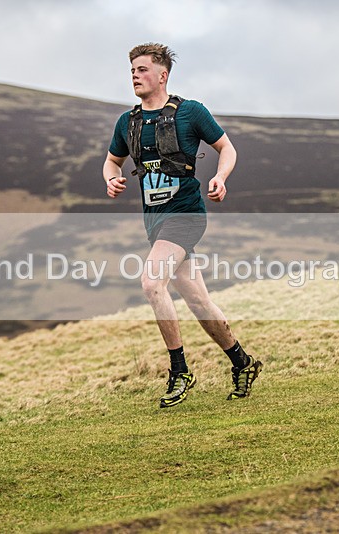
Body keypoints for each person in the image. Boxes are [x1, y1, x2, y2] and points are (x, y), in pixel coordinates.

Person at [102, 43, 263, 408]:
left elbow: (228, 148)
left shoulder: (190, 112)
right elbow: (111, 162)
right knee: (198, 300)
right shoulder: (127, 123)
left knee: (151, 282)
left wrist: (221, 178)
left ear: (162, 75)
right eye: (131, 70)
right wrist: (110, 178)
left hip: (187, 214)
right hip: (156, 223)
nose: (134, 75)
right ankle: (242, 361)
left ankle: (179, 371)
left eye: (142, 69)